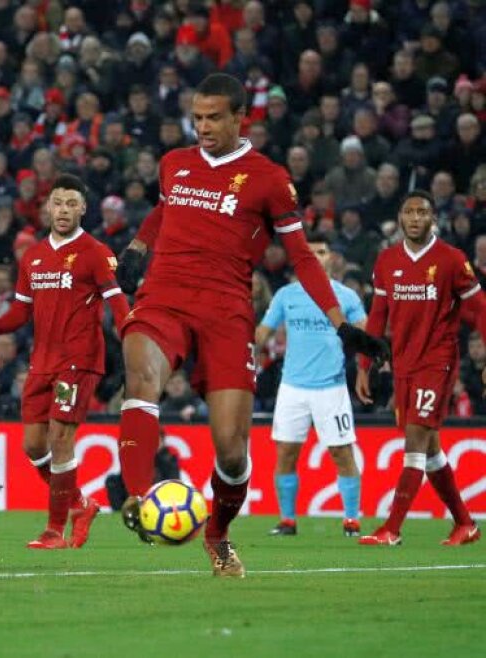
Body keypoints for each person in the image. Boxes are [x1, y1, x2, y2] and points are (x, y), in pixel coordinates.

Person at [113, 74, 386, 578]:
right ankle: (135, 496)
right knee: (141, 376)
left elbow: (301, 257)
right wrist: (136, 249)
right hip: (164, 296)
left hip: (226, 310)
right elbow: (164, 211)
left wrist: (341, 324)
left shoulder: (268, 179)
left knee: (233, 452)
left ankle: (217, 534)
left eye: (214, 117)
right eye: (197, 118)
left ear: (242, 117)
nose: (203, 127)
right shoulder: (175, 164)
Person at [0, 173, 128, 549]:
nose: (64, 210)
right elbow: (21, 312)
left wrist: (130, 337)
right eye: (58, 203)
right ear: (48, 207)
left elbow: (117, 302)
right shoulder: (33, 256)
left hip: (78, 360)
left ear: (83, 209)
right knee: (34, 445)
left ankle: (54, 530)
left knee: (60, 437)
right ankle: (80, 504)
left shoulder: (96, 252)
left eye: (72, 204)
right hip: (42, 362)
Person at [356, 190, 486, 547]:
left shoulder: (451, 259)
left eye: (422, 212)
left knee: (415, 439)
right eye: (409, 212)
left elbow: (480, 309)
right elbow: (377, 317)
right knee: (430, 450)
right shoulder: (387, 260)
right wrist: (364, 365)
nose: (415, 218)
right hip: (404, 363)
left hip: (437, 361)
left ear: (433, 218)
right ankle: (465, 524)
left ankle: (391, 529)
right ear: (400, 217)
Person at [255, 233, 367, 538]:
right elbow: (262, 332)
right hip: (293, 388)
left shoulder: (346, 297)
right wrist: (251, 351)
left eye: (322, 251)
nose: (317, 257)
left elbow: (365, 333)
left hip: (332, 388)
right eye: (312, 252)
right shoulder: (286, 296)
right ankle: (287, 520)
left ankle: (351, 520)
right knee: (286, 453)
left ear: (331, 258)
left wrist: (366, 365)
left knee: (341, 452)